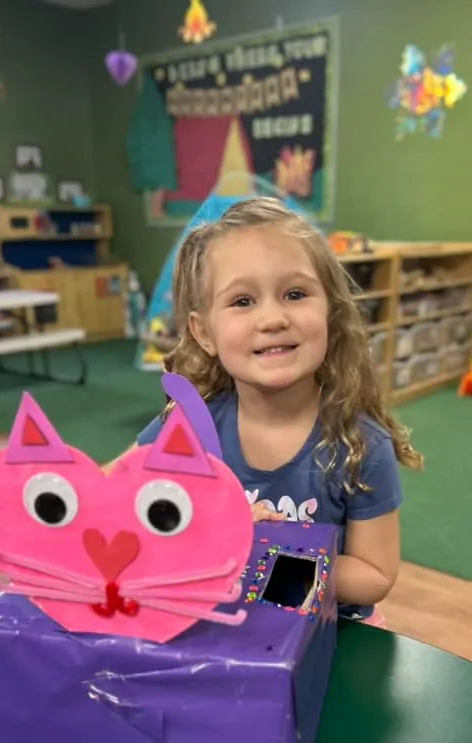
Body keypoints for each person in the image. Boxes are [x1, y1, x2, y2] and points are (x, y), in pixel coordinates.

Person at [123, 197, 423, 624]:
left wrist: (266, 552)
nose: (272, 318)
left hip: (330, 636)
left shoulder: (361, 445)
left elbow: (375, 575)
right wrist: (208, 534)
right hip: (218, 623)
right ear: (204, 332)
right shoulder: (186, 428)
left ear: (331, 316)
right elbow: (121, 503)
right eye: (243, 301)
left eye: (295, 294)